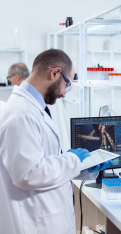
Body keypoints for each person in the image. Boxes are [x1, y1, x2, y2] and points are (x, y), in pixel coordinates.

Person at [0, 49, 112, 234]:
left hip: (47, 215)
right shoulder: (21, 114)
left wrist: (82, 168)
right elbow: (27, 174)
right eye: (67, 85)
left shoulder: (35, 107)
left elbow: (45, 162)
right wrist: (72, 160)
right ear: (54, 73)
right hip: (36, 222)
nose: (65, 93)